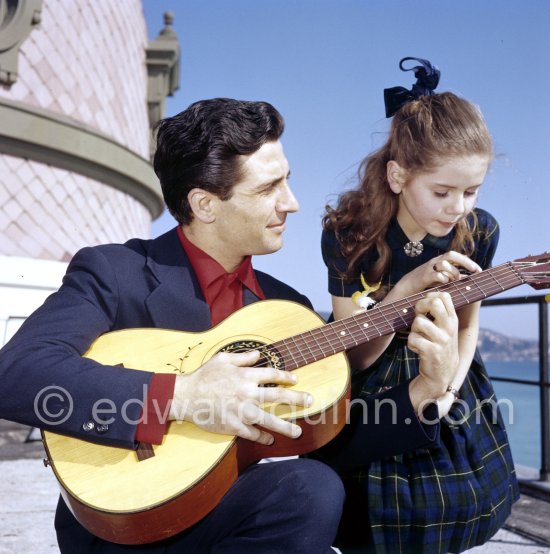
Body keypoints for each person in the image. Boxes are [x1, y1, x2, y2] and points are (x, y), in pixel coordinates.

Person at [1, 97, 461, 554]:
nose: (293, 204)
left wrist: (425, 390)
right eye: (268, 189)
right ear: (204, 204)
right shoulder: (115, 272)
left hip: (228, 517)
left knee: (314, 488)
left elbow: (321, 441)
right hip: (125, 527)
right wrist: (183, 396)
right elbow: (16, 373)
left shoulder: (286, 306)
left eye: (289, 181)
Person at [317, 58, 519, 552]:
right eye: (443, 191)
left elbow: (468, 327)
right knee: (374, 522)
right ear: (397, 175)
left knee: (453, 510)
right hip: (376, 387)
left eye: (472, 191)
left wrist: (447, 387)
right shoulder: (350, 234)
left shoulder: (479, 230)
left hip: (449, 371)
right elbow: (355, 356)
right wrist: (406, 291)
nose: (458, 209)